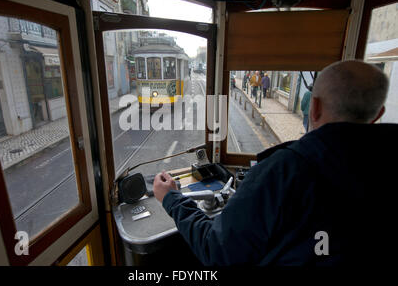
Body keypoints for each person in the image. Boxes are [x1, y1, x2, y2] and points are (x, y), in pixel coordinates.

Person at [154, 60, 397, 265]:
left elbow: (217, 250)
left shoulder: (285, 170)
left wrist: (172, 199)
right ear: (378, 114)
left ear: (314, 107)